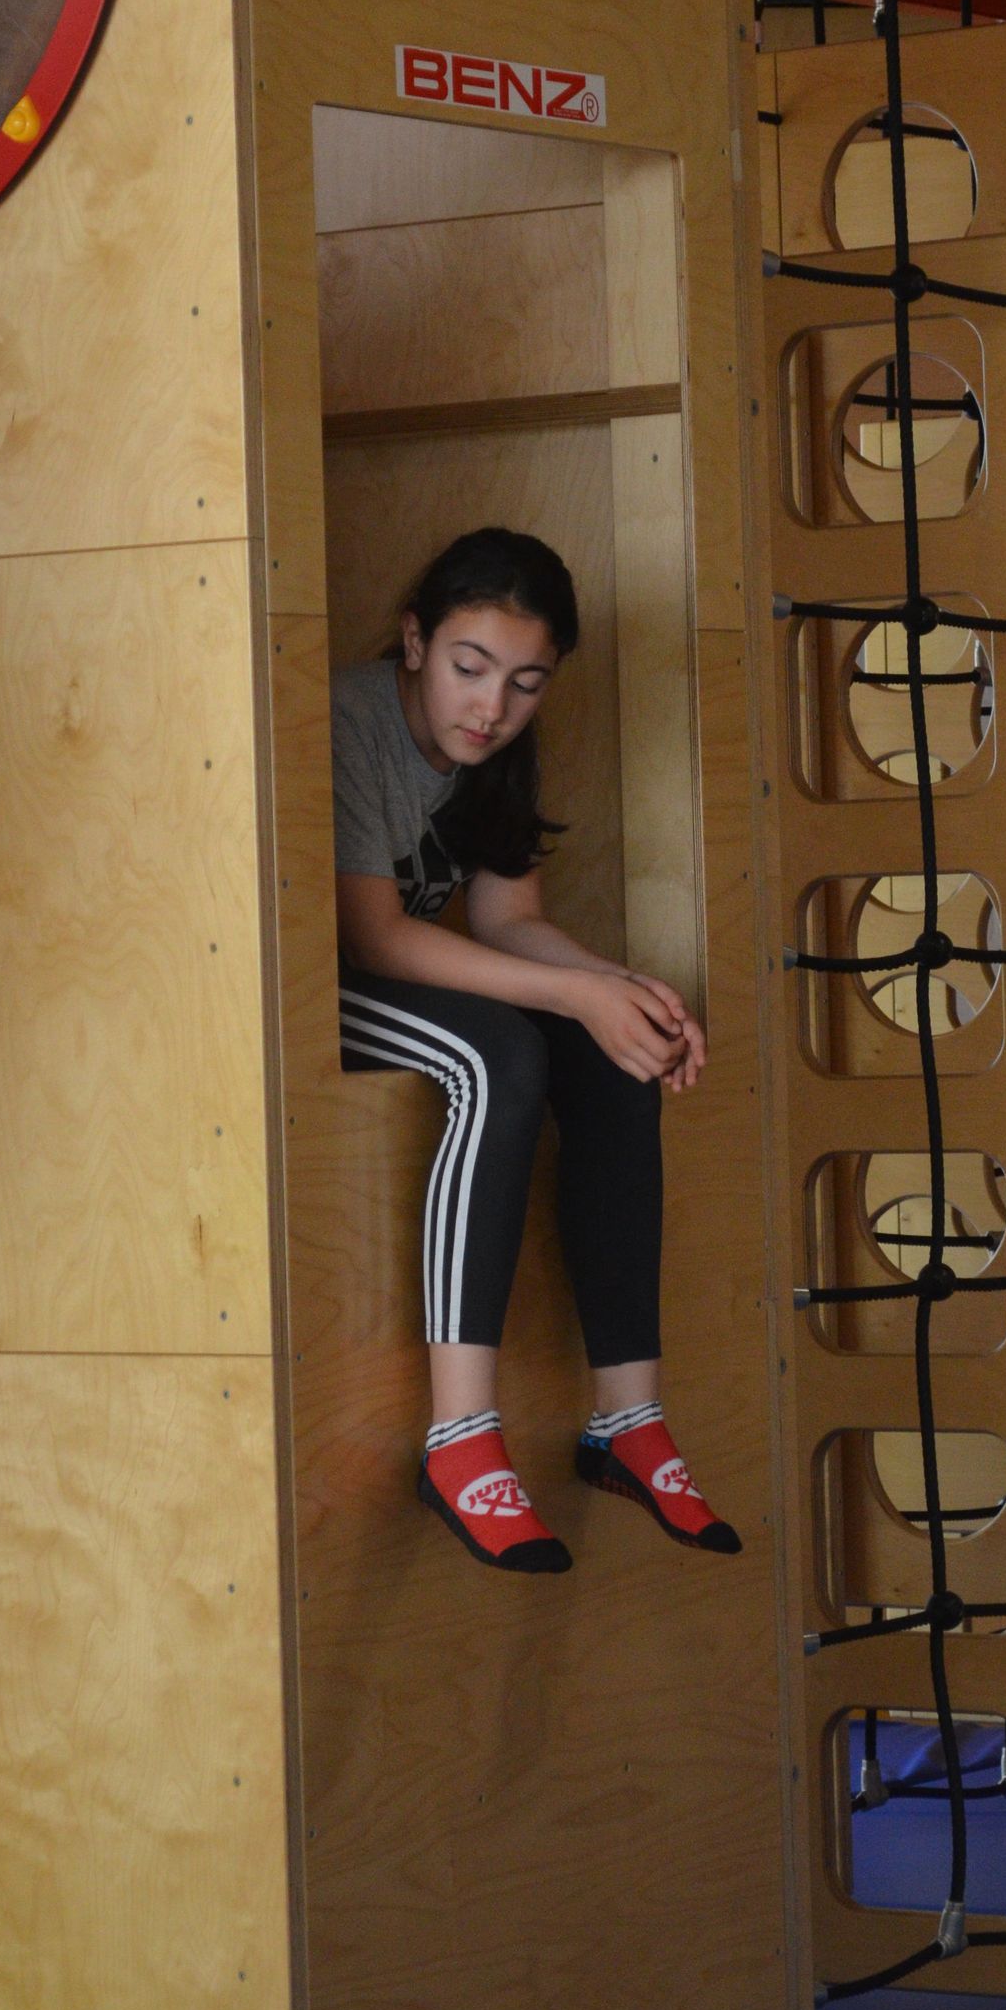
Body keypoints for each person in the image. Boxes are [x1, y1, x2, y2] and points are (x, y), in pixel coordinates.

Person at [330, 525, 739, 1576]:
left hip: (417, 980)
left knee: (613, 1050)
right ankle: (461, 1439)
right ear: (415, 639)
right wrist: (572, 992)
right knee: (500, 1055)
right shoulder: (350, 719)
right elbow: (373, 936)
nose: (492, 707)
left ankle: (627, 1418)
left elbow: (509, 922)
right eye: (470, 668)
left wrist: (618, 992)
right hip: (310, 991)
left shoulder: (495, 743)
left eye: (524, 682)